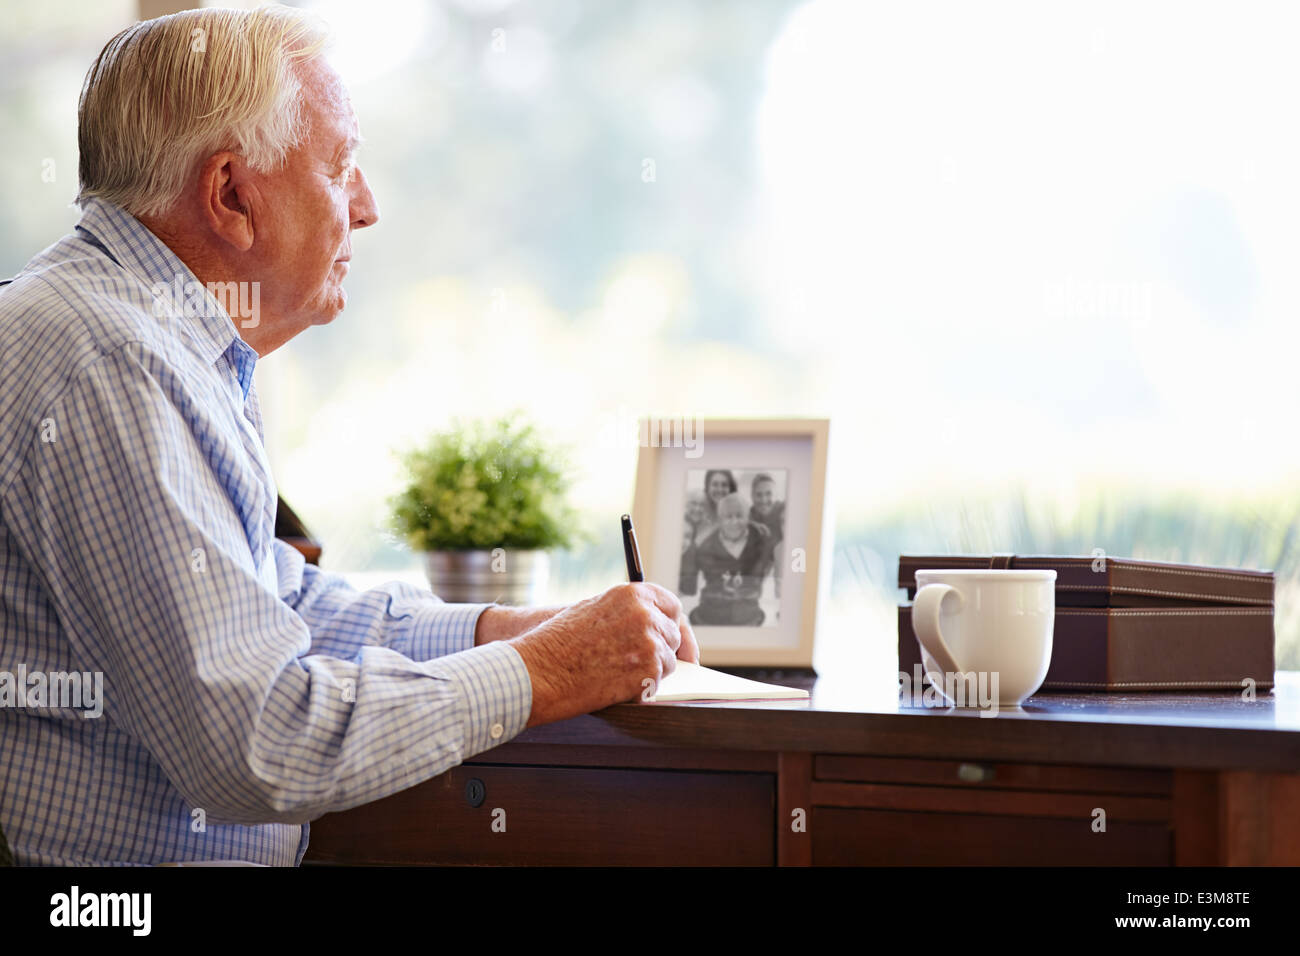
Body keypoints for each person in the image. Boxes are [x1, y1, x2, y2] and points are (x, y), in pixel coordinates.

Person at [0, 5, 696, 866]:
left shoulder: (152, 336)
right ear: (230, 196)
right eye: (342, 167)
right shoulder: (114, 358)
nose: (367, 207)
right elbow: (257, 739)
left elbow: (279, 602)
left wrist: (507, 629)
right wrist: (548, 670)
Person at [679, 493, 776, 626]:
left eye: (739, 516)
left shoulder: (761, 540)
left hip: (750, 616)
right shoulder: (705, 546)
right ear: (719, 520)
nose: (734, 521)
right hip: (710, 617)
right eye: (728, 517)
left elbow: (771, 561)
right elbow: (689, 585)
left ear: (748, 518)